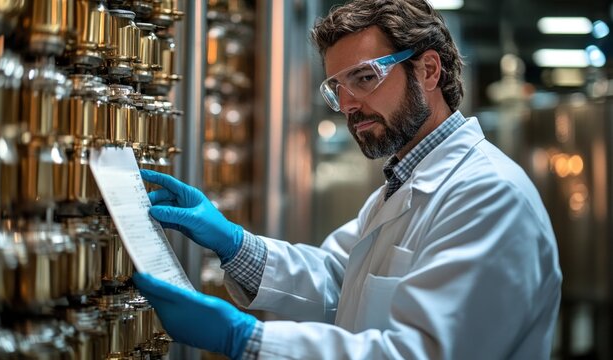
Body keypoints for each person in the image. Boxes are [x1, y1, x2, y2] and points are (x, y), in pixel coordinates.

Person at [133, 0, 562, 358]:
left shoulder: (490, 196)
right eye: (337, 87)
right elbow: (338, 283)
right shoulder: (395, 190)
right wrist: (232, 243)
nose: (348, 104)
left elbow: (421, 353)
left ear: (429, 71)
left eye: (364, 77)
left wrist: (246, 339)